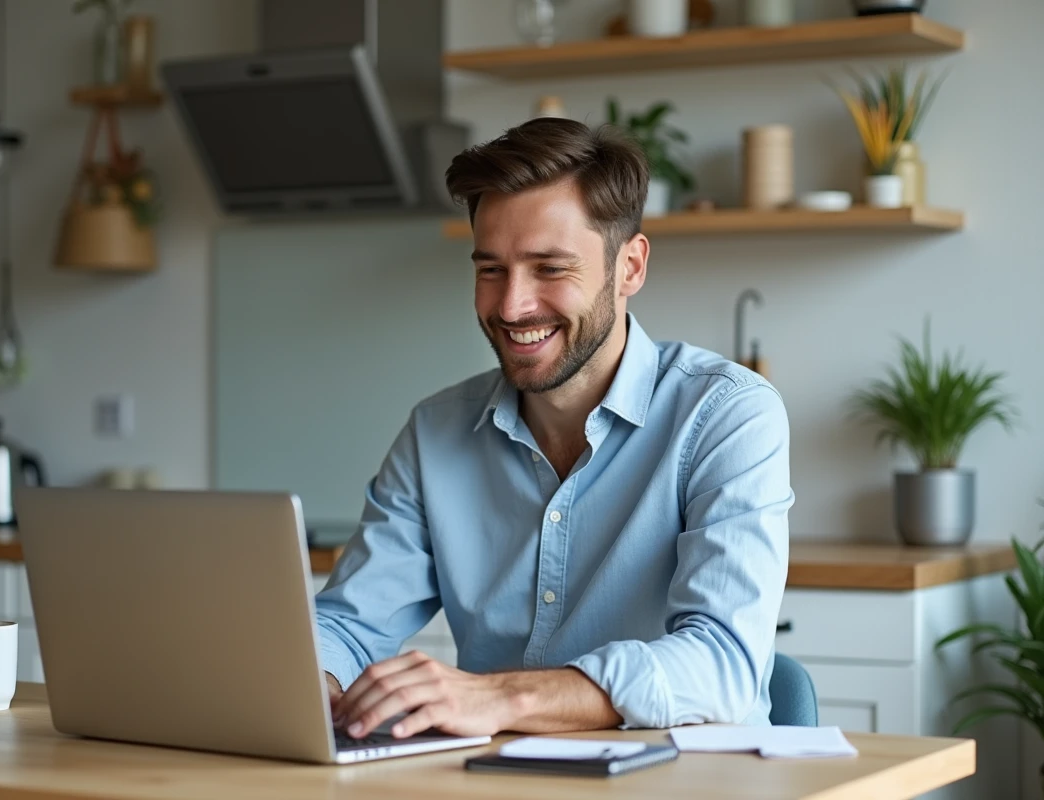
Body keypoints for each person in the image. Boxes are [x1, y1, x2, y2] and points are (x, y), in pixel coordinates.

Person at [317, 117, 793, 741]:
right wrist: (314, 685)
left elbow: (721, 663)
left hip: (685, 776)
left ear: (630, 267)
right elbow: (349, 626)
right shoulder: (436, 431)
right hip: (495, 778)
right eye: (491, 270)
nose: (512, 306)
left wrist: (503, 698)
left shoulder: (727, 415)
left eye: (549, 268)